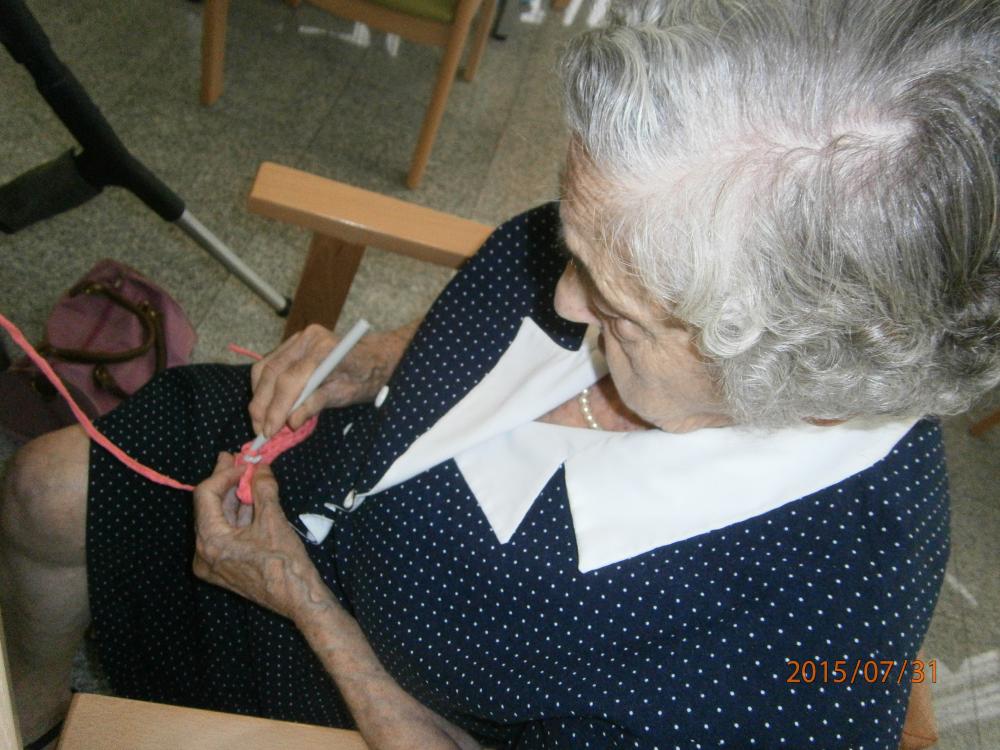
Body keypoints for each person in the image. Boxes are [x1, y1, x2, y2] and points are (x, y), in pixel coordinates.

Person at [3, 0, 999, 747]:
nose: (561, 295)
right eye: (572, 239)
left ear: (788, 376)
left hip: (346, 689)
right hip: (332, 462)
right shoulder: (665, 209)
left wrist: (300, 599)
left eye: (616, 308)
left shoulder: (774, 674)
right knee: (41, 488)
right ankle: (34, 716)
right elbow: (497, 322)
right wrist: (366, 362)